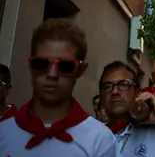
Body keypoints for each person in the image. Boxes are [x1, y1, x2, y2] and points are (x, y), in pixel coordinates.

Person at [0, 18, 115, 156]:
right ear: (31, 65)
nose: (52, 74)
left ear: (80, 70)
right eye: (42, 64)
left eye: (65, 66)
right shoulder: (3, 133)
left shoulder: (101, 140)